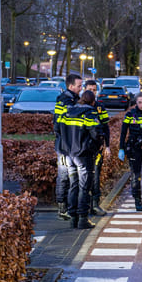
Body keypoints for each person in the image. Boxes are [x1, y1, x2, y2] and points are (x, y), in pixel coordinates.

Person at [56, 89, 103, 229]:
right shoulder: (90, 113)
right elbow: (96, 133)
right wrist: (96, 147)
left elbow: (58, 129)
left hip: (69, 154)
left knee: (73, 185)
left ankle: (73, 218)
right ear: (93, 102)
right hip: (83, 155)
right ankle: (83, 219)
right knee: (84, 187)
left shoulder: (67, 112)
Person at [53, 74, 83, 220]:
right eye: (79, 86)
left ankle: (69, 206)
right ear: (71, 86)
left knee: (71, 176)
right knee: (64, 176)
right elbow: (58, 125)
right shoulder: (65, 101)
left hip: (70, 145)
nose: (81, 88)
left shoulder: (74, 99)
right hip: (64, 146)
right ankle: (62, 207)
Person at [82, 79, 111, 216]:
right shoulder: (78, 107)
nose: (92, 92)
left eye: (94, 90)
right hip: (82, 148)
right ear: (84, 89)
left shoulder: (100, 107)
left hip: (96, 148)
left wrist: (108, 146)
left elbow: (106, 127)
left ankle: (95, 204)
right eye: (90, 90)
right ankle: (82, 206)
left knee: (95, 176)